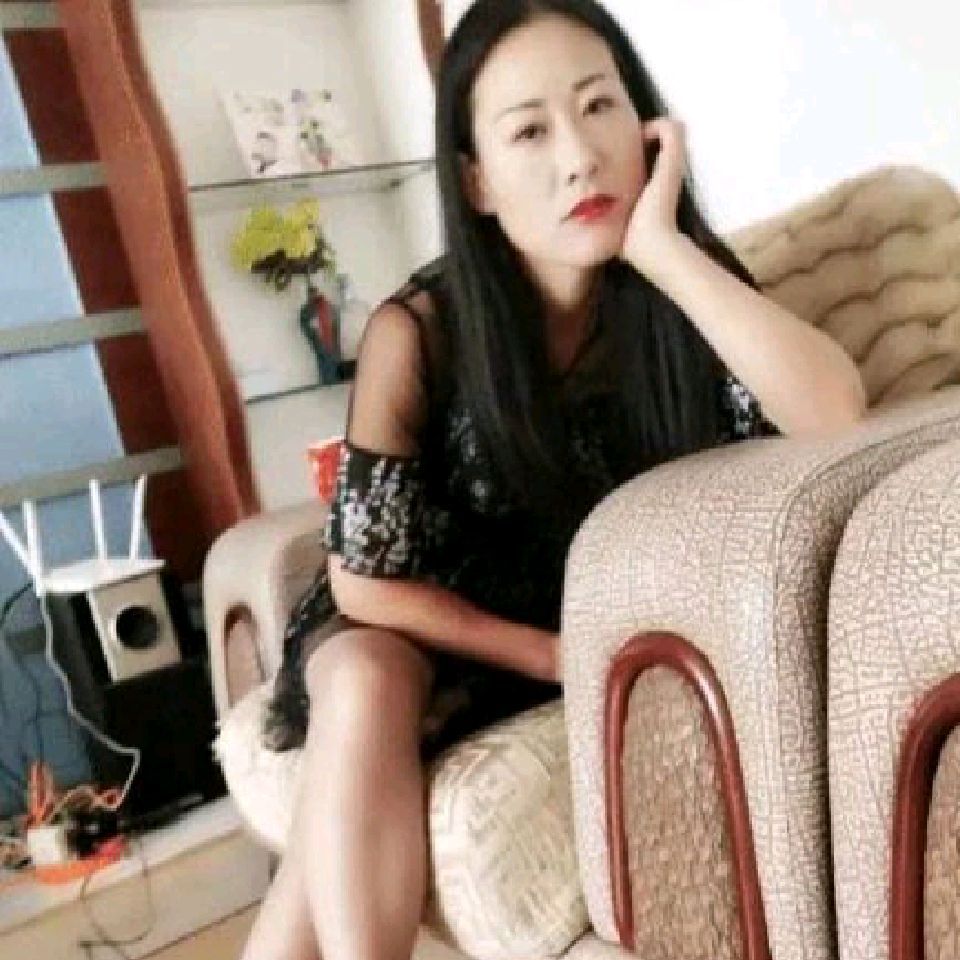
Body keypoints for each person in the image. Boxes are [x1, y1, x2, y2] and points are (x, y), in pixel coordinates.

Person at [241, 1, 866, 958]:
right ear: (476, 180)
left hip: (572, 615)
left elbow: (835, 413)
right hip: (425, 621)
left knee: (315, 866)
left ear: (647, 124)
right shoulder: (421, 332)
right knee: (360, 678)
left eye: (599, 106)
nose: (579, 157)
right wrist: (548, 655)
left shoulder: (683, 287)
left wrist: (662, 250)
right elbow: (364, 581)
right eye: (530, 131)